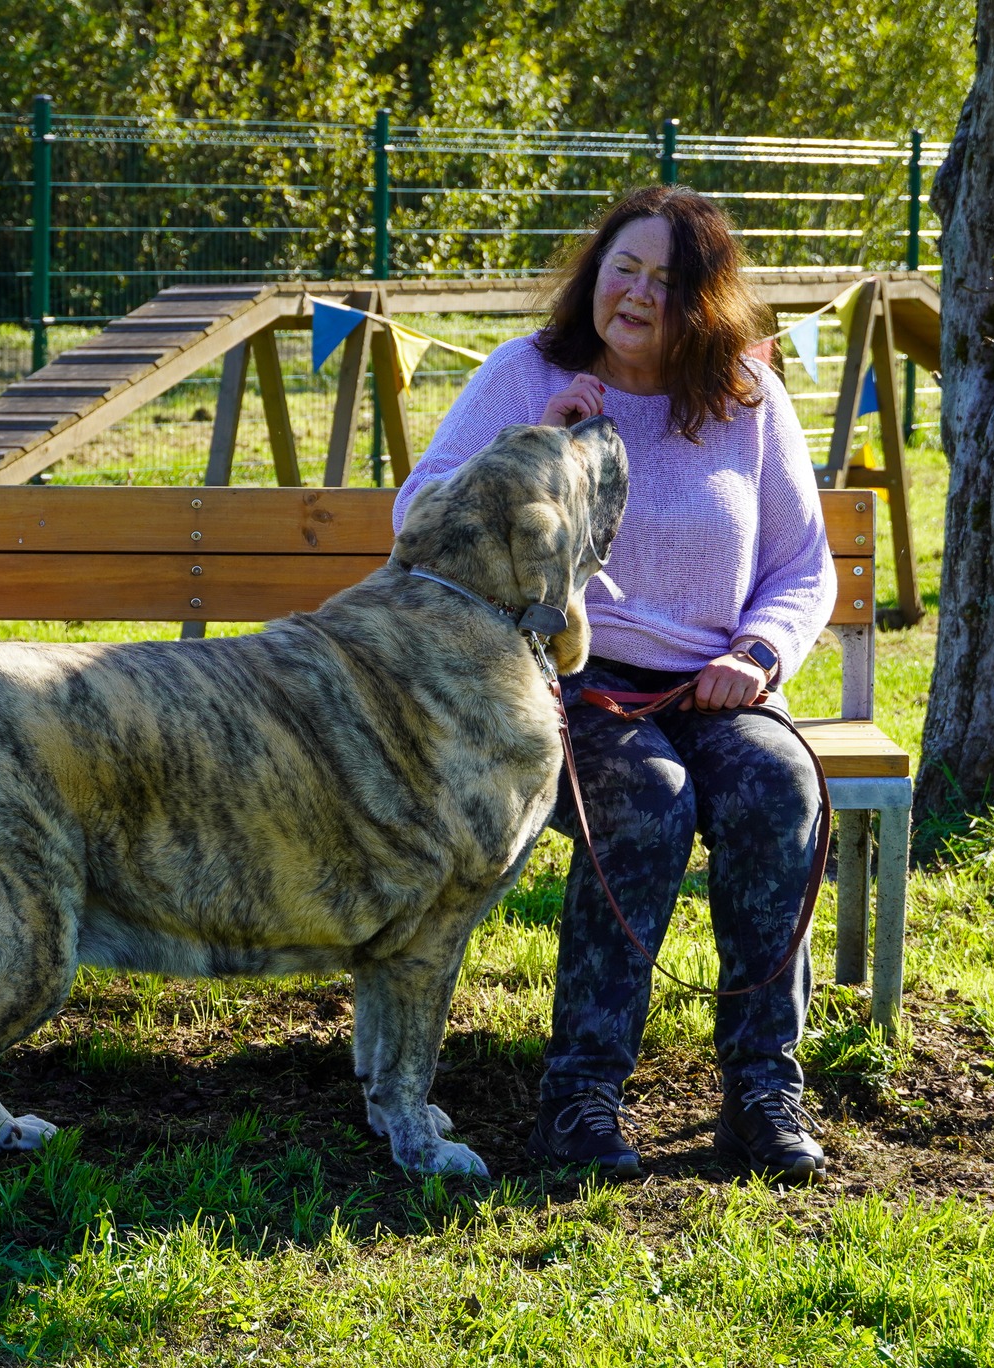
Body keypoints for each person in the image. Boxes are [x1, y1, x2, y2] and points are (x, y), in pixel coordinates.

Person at [391, 185, 837, 1181]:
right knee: (643, 803)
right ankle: (578, 1102)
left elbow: (802, 564)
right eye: (619, 268)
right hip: (564, 683)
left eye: (663, 280)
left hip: (716, 687)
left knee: (780, 789)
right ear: (593, 274)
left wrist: (757, 653)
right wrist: (534, 446)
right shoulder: (525, 376)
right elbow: (420, 518)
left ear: (704, 302)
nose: (632, 292)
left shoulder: (748, 402)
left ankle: (764, 1093)